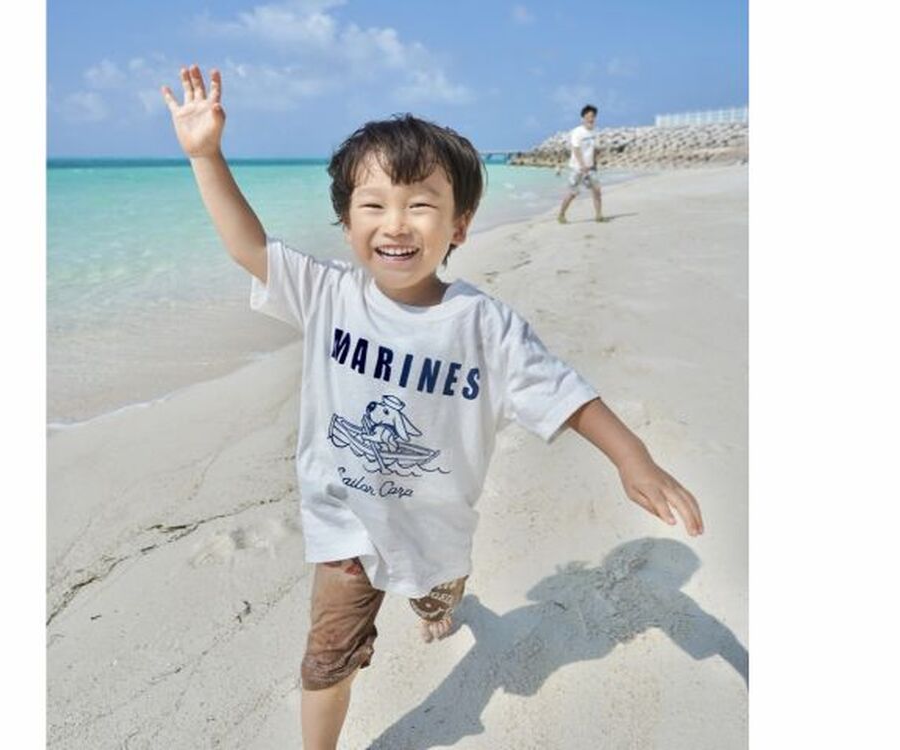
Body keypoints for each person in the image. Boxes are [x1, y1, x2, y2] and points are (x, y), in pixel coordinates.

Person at [161, 65, 704, 749]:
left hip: (435, 529)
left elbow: (565, 392)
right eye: (373, 205)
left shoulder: (483, 326)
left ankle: (440, 603)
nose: (395, 224)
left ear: (460, 226)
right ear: (346, 220)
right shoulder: (328, 296)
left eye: (420, 205)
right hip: (346, 528)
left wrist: (633, 458)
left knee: (436, 593)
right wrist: (206, 156)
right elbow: (248, 246)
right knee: (326, 661)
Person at [556, 104, 605, 224]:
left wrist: (594, 163)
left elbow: (593, 149)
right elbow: (576, 149)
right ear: (583, 117)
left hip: (590, 167)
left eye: (593, 116)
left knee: (597, 190)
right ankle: (561, 215)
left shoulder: (594, 132)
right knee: (573, 193)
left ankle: (599, 216)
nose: (591, 119)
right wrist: (582, 165)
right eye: (588, 116)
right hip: (577, 168)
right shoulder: (577, 132)